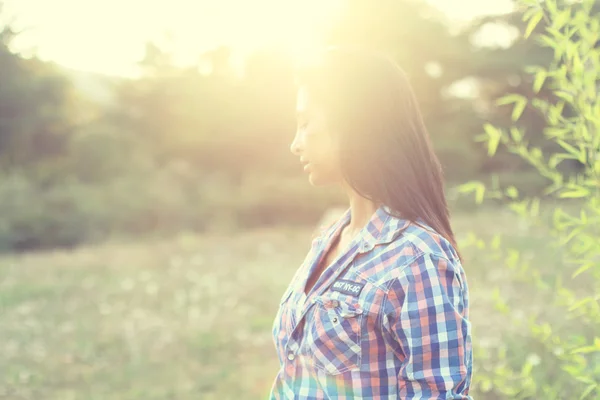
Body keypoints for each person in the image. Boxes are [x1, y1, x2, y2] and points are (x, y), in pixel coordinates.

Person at [269, 48, 473, 399]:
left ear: (353, 124)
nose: (294, 144)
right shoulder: (329, 239)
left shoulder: (418, 257)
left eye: (305, 124)